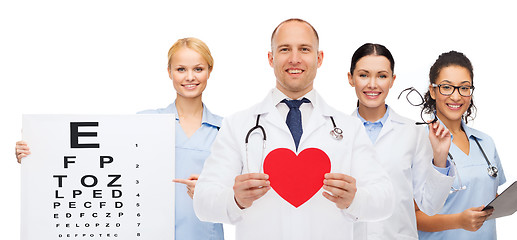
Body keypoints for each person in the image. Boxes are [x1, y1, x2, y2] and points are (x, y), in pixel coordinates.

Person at [193, 18, 394, 240]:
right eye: (285, 49)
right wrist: (235, 200)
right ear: (271, 58)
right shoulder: (238, 125)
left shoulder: (349, 128)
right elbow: (203, 202)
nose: (294, 59)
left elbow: (385, 200)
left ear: (319, 58)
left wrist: (355, 200)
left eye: (304, 49)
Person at [15, 37, 224, 240]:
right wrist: (37, 152)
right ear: (169, 72)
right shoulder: (145, 123)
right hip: (148, 231)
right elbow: (96, 160)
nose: (190, 77)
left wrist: (211, 192)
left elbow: (238, 194)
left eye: (198, 69)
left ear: (209, 71)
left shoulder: (225, 130)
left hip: (204, 233)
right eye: (181, 69)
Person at [347, 43, 455, 240]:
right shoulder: (337, 133)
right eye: (363, 75)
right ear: (351, 78)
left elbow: (429, 205)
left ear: (392, 80)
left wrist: (440, 158)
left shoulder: (413, 132)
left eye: (382, 76)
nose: (372, 84)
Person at [415, 51, 506, 239]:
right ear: (432, 91)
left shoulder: (486, 142)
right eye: (446, 87)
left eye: (464, 88)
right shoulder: (416, 142)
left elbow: (487, 194)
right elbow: (412, 216)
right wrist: (459, 221)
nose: (456, 97)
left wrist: (515, 198)